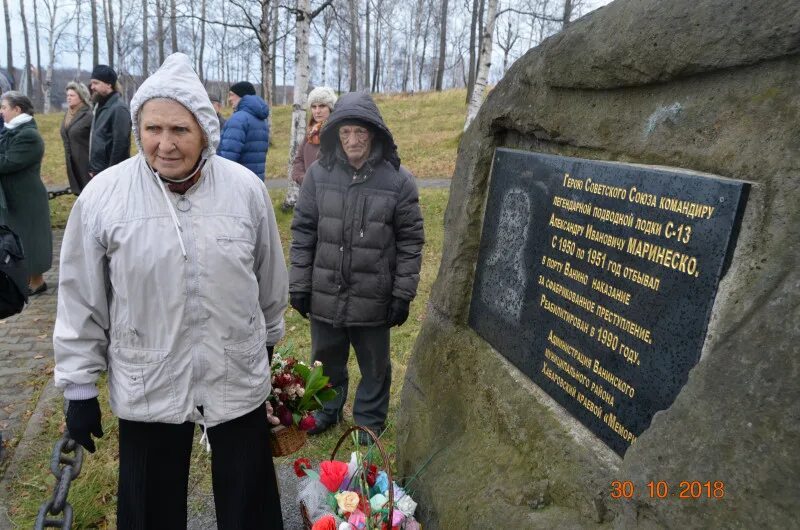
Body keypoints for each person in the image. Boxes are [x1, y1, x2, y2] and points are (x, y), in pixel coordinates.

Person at [53, 53, 288, 529]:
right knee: (150, 508)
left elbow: (269, 280)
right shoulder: (105, 197)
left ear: (204, 130)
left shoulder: (244, 191)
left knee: (250, 503)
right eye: (153, 128)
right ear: (138, 128)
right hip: (149, 377)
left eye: (179, 130)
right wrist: (79, 386)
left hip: (234, 371)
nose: (165, 144)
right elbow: (81, 296)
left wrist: (265, 341)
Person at [289, 91, 424, 444]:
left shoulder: (398, 180)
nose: (353, 141)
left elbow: (411, 240)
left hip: (374, 295)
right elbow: (303, 231)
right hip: (326, 290)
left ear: (375, 134)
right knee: (325, 359)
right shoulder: (318, 175)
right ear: (335, 134)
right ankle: (326, 410)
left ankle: (368, 420)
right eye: (346, 132)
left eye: (360, 133)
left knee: (374, 365)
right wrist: (300, 283)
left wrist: (402, 293)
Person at [0, 91, 52, 295]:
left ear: (17, 109)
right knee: (19, 239)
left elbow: (7, 162)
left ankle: (37, 282)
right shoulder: (11, 131)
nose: (1, 112)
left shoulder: (29, 135)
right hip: (15, 196)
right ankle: (27, 279)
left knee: (30, 240)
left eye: (4, 107)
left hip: (26, 198)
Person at [218, 81, 270, 180]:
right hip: (256, 179)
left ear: (241, 95)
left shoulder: (239, 119)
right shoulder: (261, 119)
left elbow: (228, 156)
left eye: (231, 95)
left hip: (238, 181)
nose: (229, 99)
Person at [88, 64, 131, 178]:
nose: (92, 87)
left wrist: (111, 175)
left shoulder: (119, 108)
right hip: (99, 172)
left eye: (96, 83)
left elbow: (121, 146)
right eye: (91, 83)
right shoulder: (100, 107)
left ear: (108, 84)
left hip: (110, 175)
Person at [290, 86, 337, 186]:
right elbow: (298, 160)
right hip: (308, 191)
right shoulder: (311, 133)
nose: (317, 111)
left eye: (322, 106)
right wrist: (304, 179)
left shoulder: (338, 132)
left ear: (330, 108)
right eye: (314, 107)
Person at [60, 81, 93, 195]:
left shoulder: (89, 115)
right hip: (72, 164)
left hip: (87, 165)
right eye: (67, 95)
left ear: (81, 97)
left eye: (72, 95)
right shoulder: (68, 114)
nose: (68, 98)